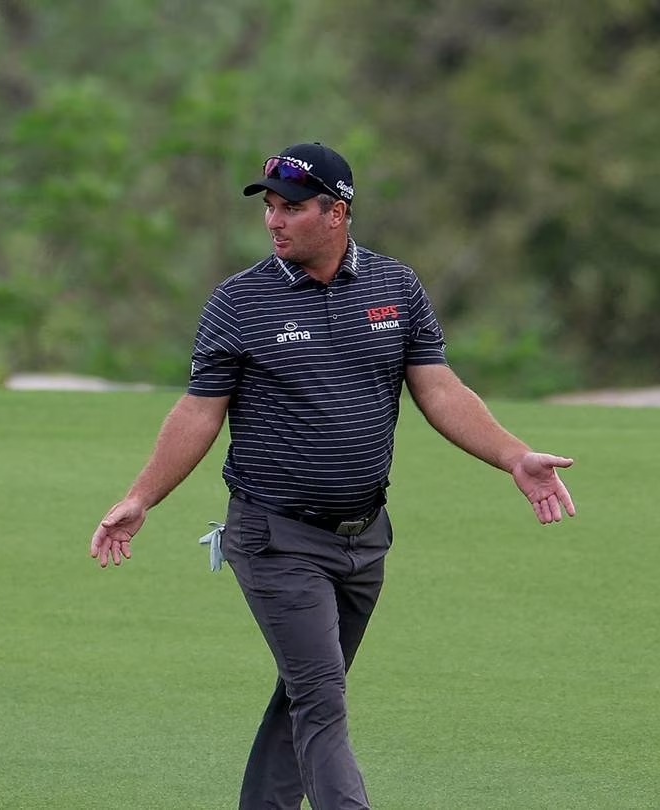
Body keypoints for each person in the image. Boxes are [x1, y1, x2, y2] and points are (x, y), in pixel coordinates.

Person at [88, 142, 576, 809]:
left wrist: (513, 456)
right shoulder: (240, 303)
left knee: (304, 695)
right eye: (269, 207)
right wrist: (142, 497)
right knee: (321, 702)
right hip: (275, 539)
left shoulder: (395, 288)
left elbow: (439, 389)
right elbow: (198, 414)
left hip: (365, 540)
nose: (274, 221)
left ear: (337, 212)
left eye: (291, 207)